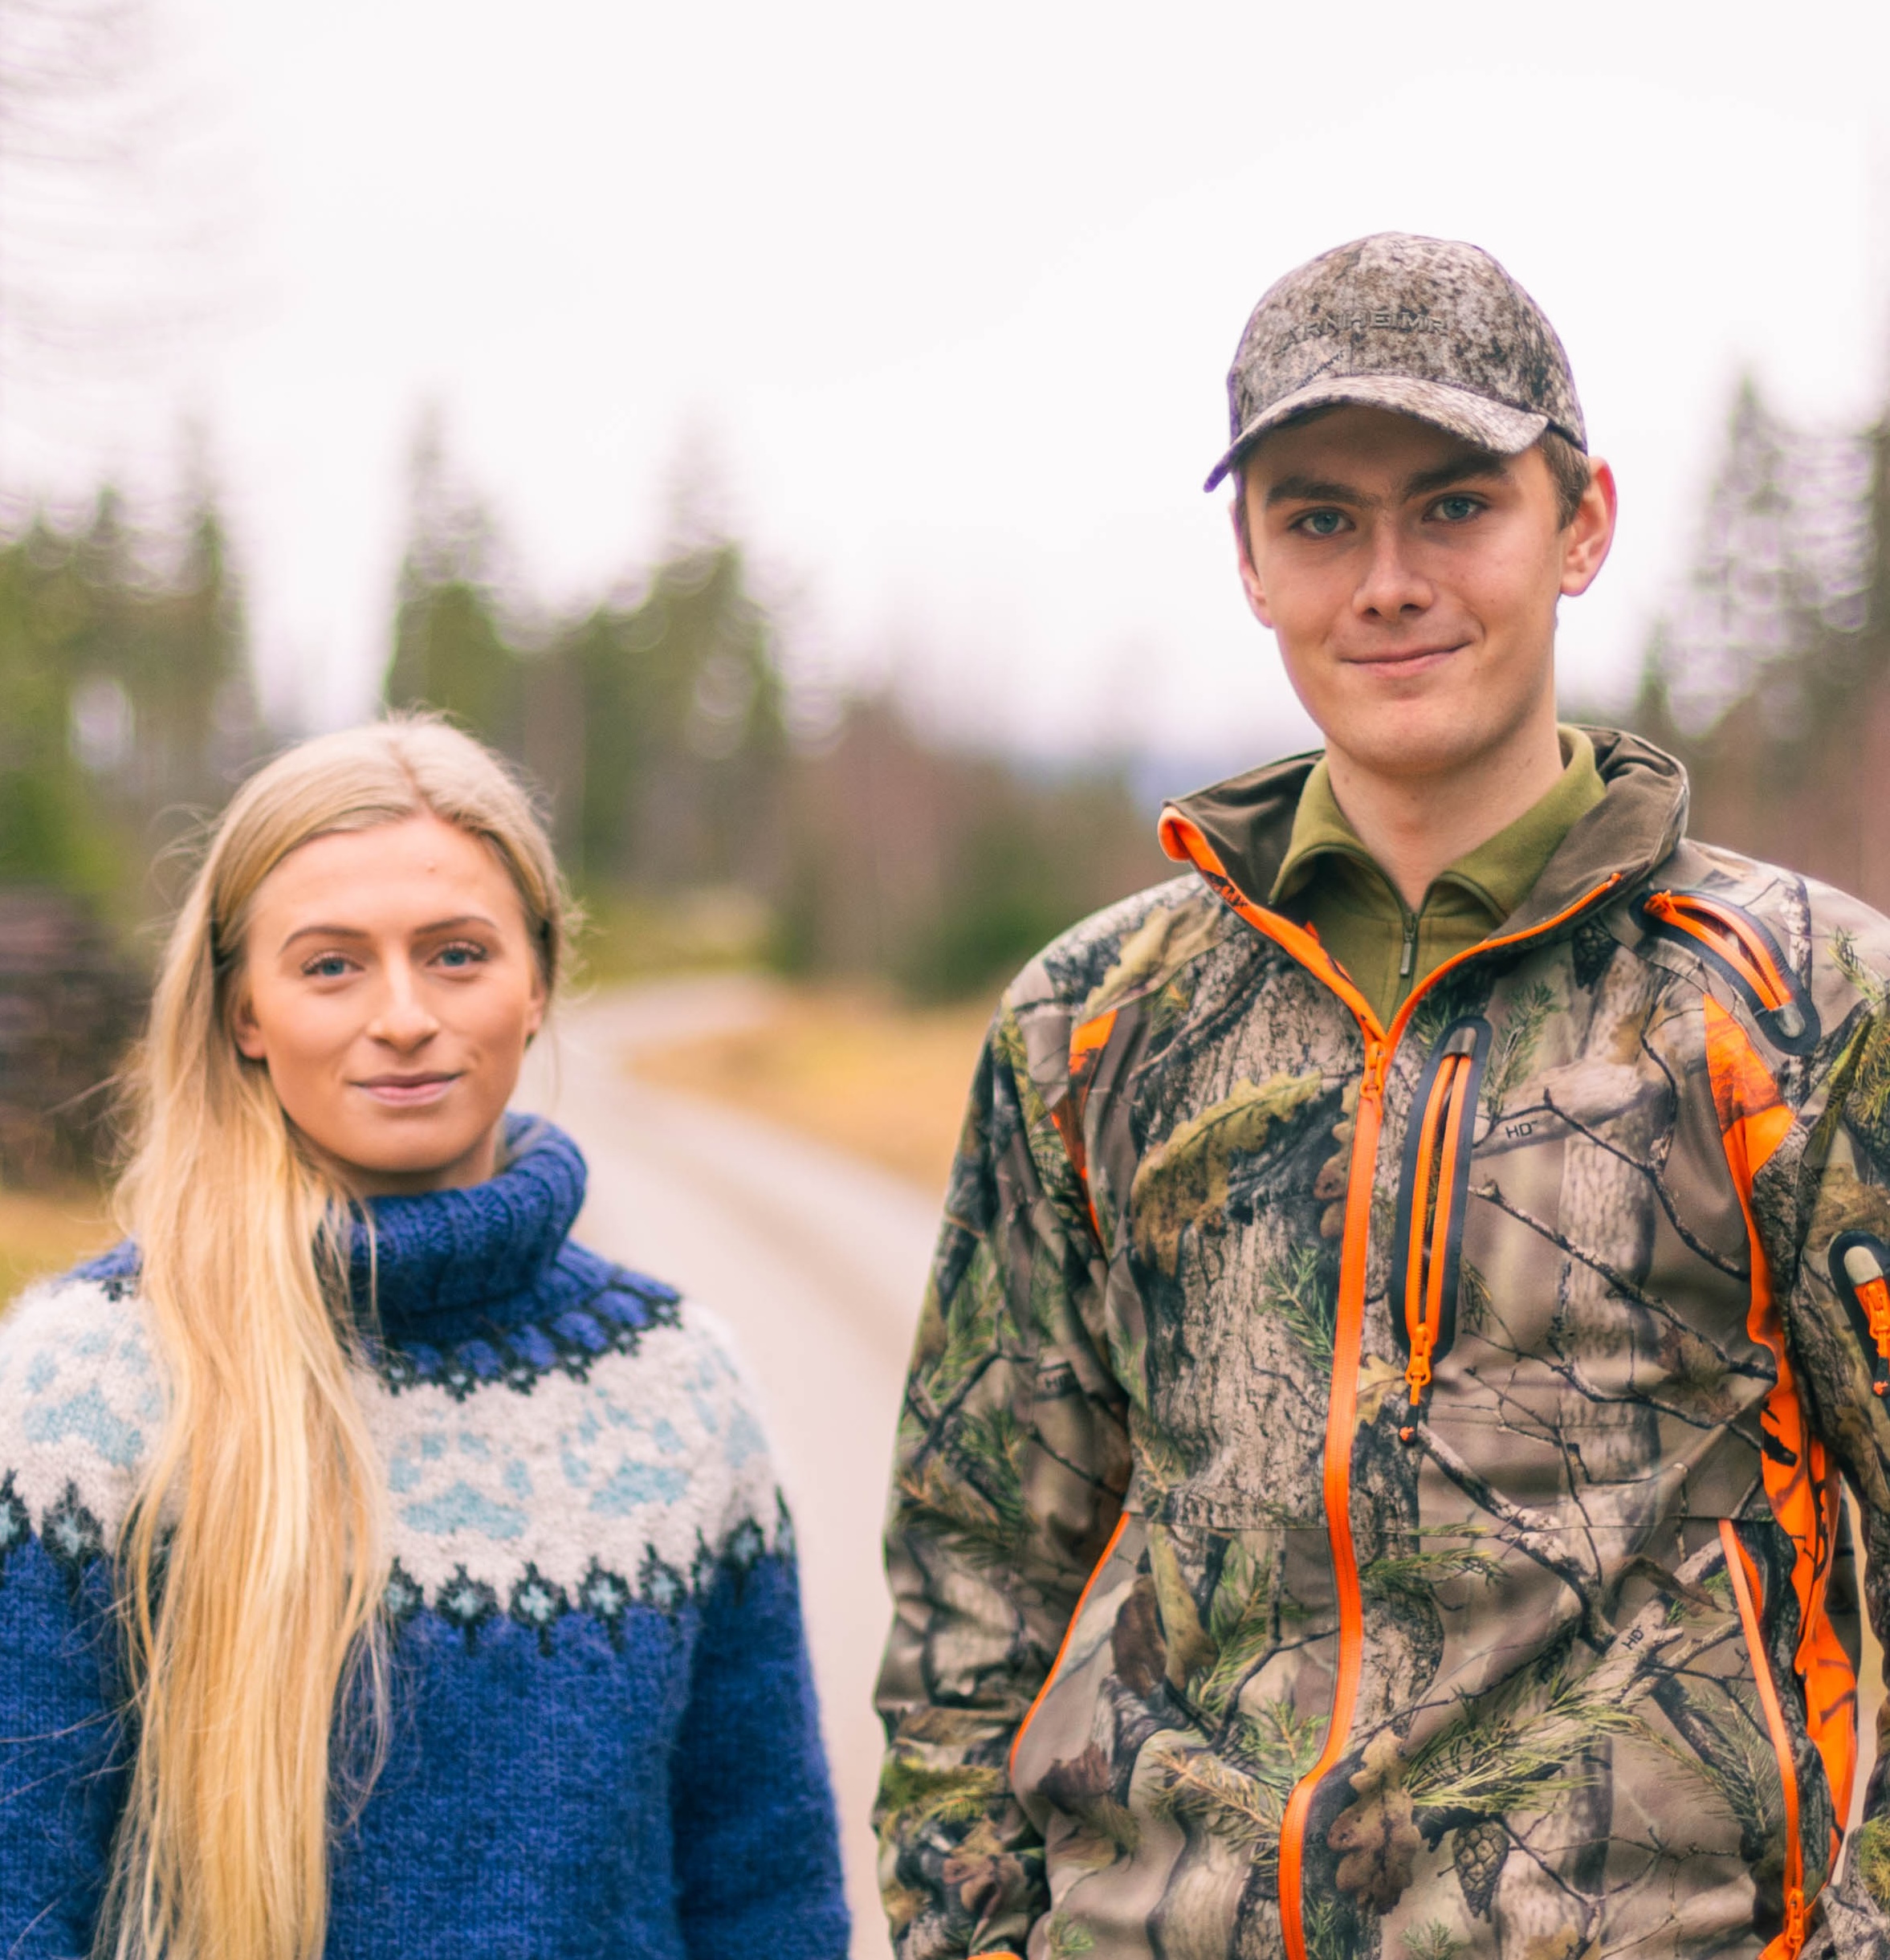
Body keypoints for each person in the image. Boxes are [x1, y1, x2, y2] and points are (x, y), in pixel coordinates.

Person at [873, 231, 1890, 1960]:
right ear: (1251, 566)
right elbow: (975, 1564)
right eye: (1320, 520)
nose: (1388, 583)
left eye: (1454, 507)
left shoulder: (1796, 1004)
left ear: (1581, 526)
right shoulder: (1093, 1023)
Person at [0, 715, 849, 1959]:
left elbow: (767, 1892)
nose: (402, 1015)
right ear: (243, 1011)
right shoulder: (89, 1385)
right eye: (330, 965)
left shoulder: (681, 1385)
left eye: (456, 954)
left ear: (537, 982)